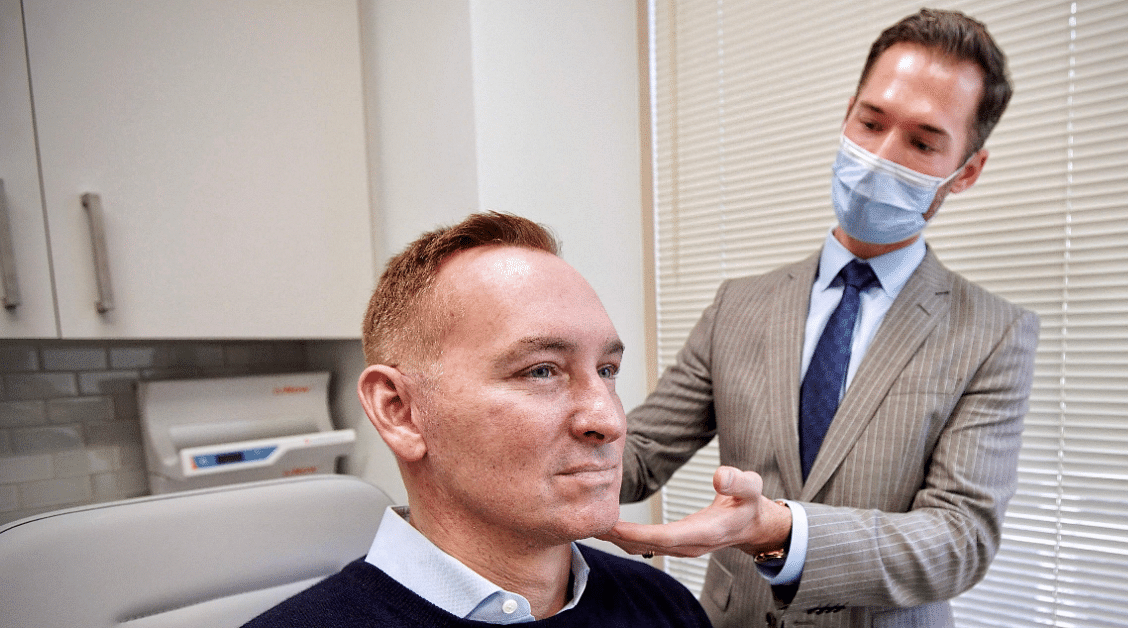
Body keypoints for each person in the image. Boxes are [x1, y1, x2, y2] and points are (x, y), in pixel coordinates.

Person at [600, 9, 1040, 627]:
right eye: (871, 122)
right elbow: (640, 456)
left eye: (922, 141)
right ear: (847, 116)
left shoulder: (994, 334)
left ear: (965, 171)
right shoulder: (739, 305)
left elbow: (959, 540)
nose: (880, 156)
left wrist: (778, 529)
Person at [242, 212, 711, 627]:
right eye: (541, 370)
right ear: (399, 411)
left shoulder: (665, 604)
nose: (608, 419)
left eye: (606, 371)